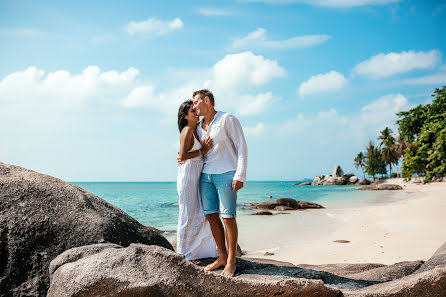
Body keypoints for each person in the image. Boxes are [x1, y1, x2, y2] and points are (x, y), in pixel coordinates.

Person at [192, 89, 248, 277]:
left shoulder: (227, 119)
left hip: (226, 173)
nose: (194, 106)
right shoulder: (199, 127)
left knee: (228, 217)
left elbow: (242, 147)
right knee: (211, 215)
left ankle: (232, 261)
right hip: (205, 175)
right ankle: (221, 256)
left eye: (196, 102)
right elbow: (201, 152)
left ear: (206, 100)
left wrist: (240, 175)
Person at [176, 99, 218, 263]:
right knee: (188, 213)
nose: (196, 113)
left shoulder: (196, 130)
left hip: (196, 176)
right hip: (188, 177)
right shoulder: (187, 131)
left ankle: (197, 251)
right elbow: (182, 156)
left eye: (196, 110)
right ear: (185, 116)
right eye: (193, 112)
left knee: (199, 212)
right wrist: (203, 150)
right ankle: (184, 254)